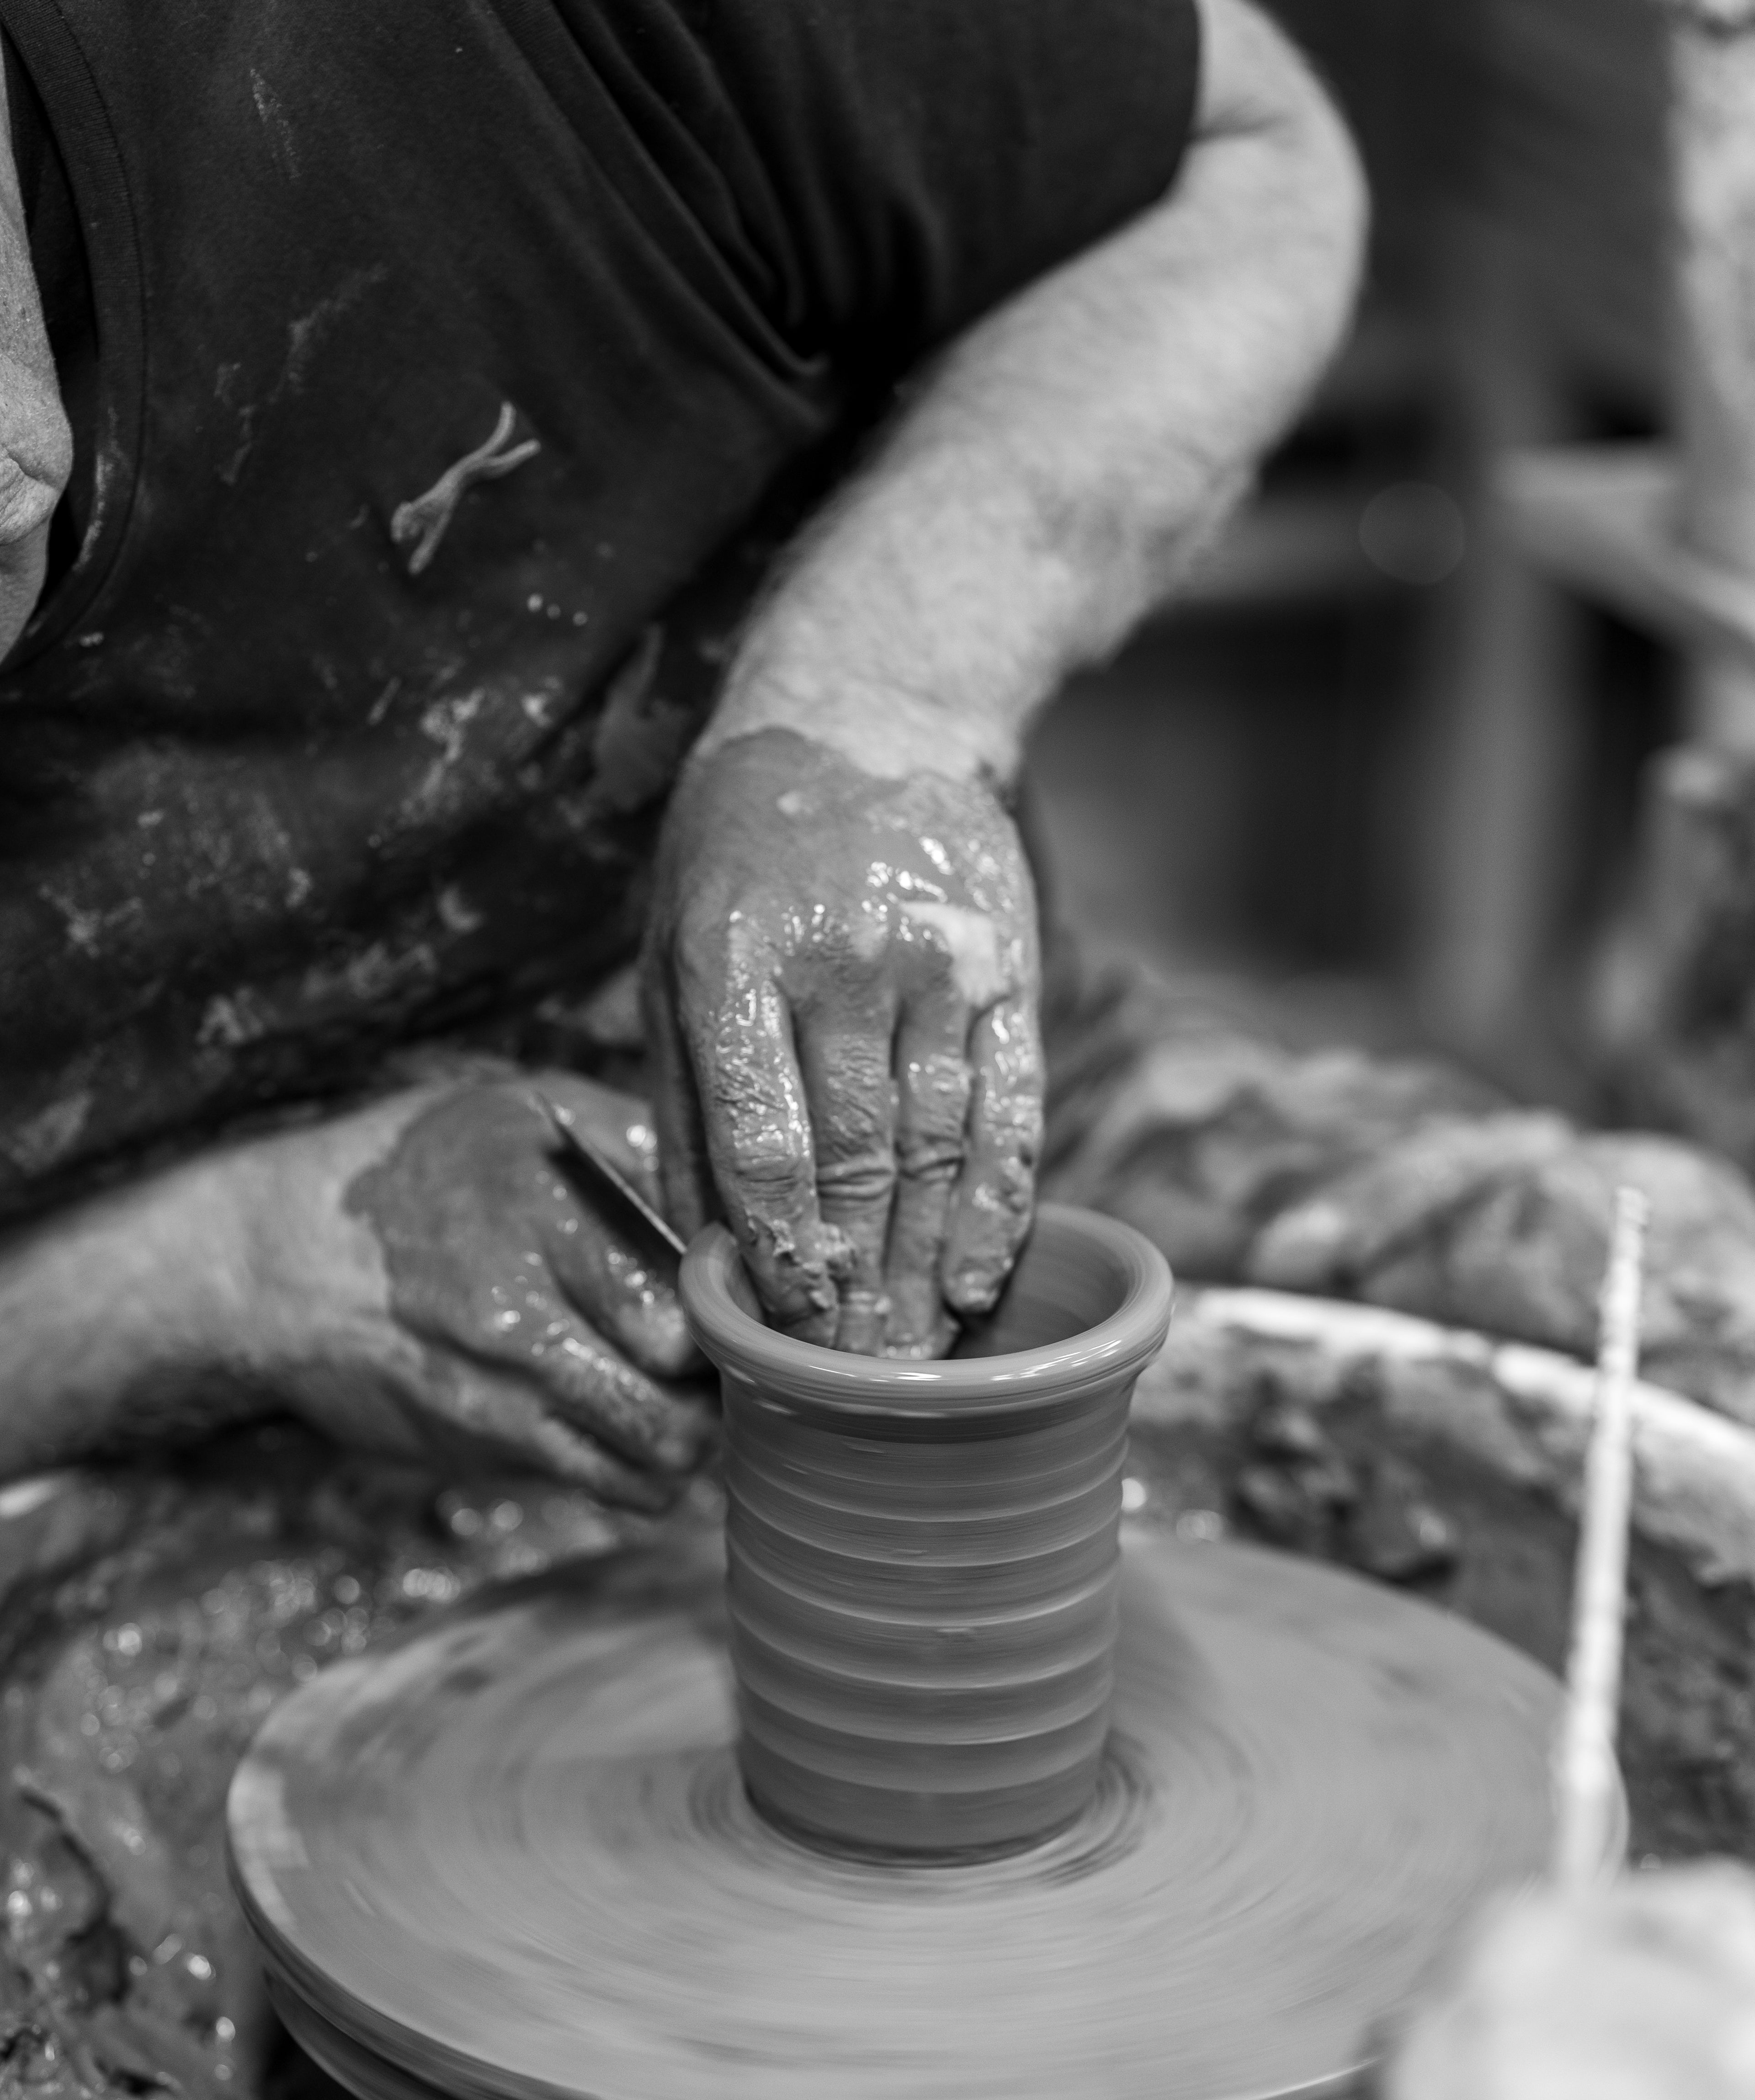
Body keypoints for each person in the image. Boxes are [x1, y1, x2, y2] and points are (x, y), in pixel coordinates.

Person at [0, 0, 1364, 1505]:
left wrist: (869, 703)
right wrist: (224, 1270)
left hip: (950, 1147)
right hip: (89, 1370)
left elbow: (1243, 157)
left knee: (1569, 1316)